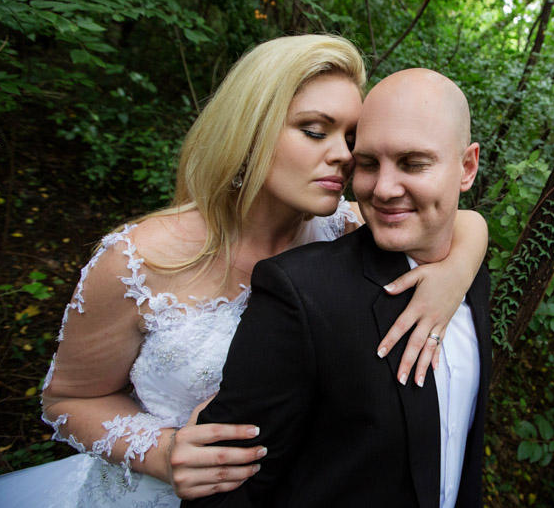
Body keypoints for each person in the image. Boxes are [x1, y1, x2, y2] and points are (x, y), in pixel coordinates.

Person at [0, 37, 488, 507]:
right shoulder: (138, 261)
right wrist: (162, 452)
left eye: (351, 139)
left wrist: (455, 274)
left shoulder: (348, 229)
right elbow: (66, 399)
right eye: (316, 130)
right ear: (251, 130)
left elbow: (456, 216)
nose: (343, 155)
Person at [185, 68, 490, 508]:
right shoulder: (299, 294)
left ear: (467, 167)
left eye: (413, 163)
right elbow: (223, 491)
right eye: (367, 163)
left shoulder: (471, 271)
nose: (383, 189)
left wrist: (462, 266)